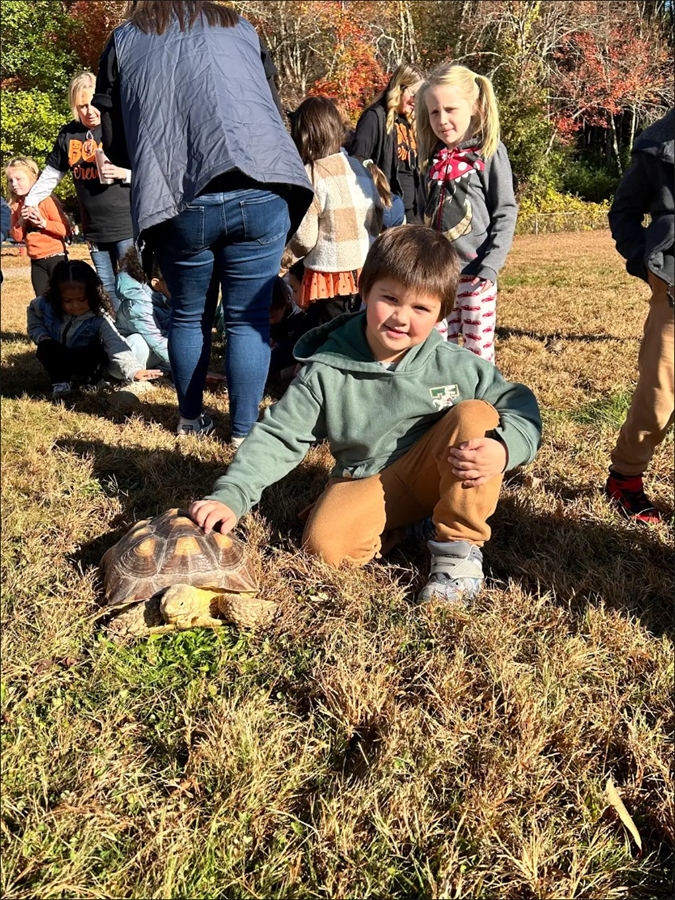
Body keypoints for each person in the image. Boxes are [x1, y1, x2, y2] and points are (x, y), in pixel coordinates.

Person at [189, 226, 541, 604]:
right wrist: (233, 495)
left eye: (421, 308)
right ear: (364, 289)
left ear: (443, 311)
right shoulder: (326, 368)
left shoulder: (457, 365)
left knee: (476, 416)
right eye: (390, 298)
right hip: (367, 477)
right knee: (324, 549)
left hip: (438, 468)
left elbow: (519, 405)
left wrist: (505, 450)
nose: (401, 318)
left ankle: (458, 552)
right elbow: (280, 435)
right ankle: (407, 526)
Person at [93, 0, 312, 444]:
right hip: (262, 180)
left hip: (179, 196)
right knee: (248, 318)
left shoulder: (125, 38)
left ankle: (191, 420)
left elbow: (113, 143)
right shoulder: (241, 26)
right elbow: (271, 108)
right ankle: (244, 433)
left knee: (189, 318)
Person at [416, 63, 518, 363]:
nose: (442, 120)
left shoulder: (488, 152)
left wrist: (491, 266)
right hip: (436, 275)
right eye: (434, 112)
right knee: (433, 346)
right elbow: (423, 213)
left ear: (474, 107)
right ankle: (439, 402)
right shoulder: (430, 158)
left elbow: (505, 210)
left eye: (450, 109)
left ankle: (481, 402)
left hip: (476, 275)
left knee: (476, 350)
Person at [605, 107, 674, 524]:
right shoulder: (655, 144)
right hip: (673, 290)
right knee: (659, 395)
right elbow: (623, 212)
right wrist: (646, 263)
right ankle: (625, 480)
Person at [23, 72, 135, 306]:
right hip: (93, 228)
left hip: (126, 224)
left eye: (93, 104)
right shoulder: (68, 134)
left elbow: (150, 173)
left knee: (131, 286)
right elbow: (51, 176)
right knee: (106, 286)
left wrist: (123, 174)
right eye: (82, 106)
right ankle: (119, 337)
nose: (89, 112)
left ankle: (143, 335)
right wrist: (30, 203)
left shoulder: (120, 126)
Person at [283, 96, 382, 326]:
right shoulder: (358, 166)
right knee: (355, 330)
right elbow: (377, 215)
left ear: (302, 136)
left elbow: (305, 239)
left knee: (326, 335)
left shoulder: (312, 174)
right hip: (364, 267)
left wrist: (284, 260)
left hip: (330, 274)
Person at [27, 260, 161, 399]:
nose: (75, 306)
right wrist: (41, 336)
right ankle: (61, 384)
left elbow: (116, 344)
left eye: (82, 299)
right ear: (57, 296)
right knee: (46, 348)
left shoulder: (99, 318)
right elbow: (34, 319)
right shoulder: (44, 305)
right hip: (59, 354)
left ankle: (93, 380)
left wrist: (134, 370)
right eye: (67, 301)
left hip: (86, 358)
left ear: (92, 294)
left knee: (97, 350)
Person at [350, 62, 425, 223]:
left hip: (413, 213)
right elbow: (357, 162)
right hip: (388, 213)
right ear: (399, 87)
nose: (415, 100)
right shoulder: (374, 118)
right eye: (413, 94)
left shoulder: (412, 123)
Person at [5, 157, 70, 296]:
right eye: (10, 181)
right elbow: (16, 237)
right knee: (42, 301)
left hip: (55, 257)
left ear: (33, 178)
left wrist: (44, 223)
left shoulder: (46, 200)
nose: (14, 184)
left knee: (62, 298)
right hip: (36, 261)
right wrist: (22, 221)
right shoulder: (16, 206)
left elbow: (66, 229)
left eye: (19, 179)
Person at [114, 246, 172, 375]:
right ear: (156, 284)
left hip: (155, 351)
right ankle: (131, 376)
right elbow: (157, 341)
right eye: (174, 282)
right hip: (125, 361)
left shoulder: (167, 298)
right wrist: (188, 368)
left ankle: (161, 372)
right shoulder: (138, 306)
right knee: (138, 341)